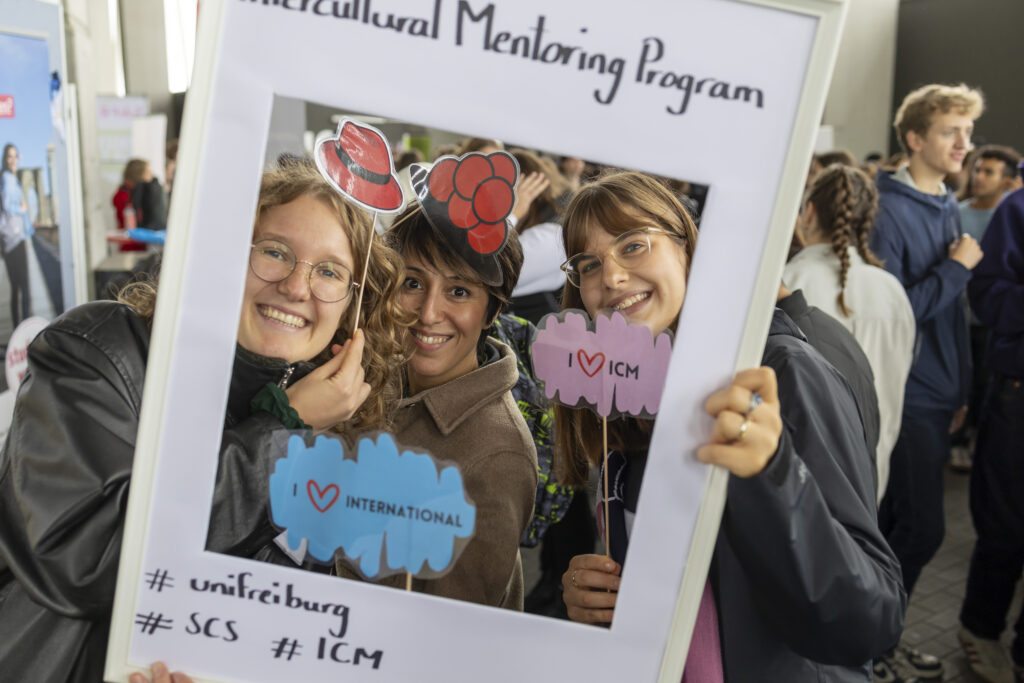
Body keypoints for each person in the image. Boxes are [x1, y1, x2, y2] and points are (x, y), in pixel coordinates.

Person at [0, 159, 408, 682]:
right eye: (275, 252)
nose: (296, 286)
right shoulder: (99, 352)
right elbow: (90, 561)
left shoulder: (334, 428)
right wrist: (283, 425)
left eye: (329, 271)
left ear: (353, 306)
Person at [556, 172, 904, 682]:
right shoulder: (624, 400)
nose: (610, 277)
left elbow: (869, 619)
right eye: (589, 264)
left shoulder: (779, 372)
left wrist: (772, 472)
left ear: (688, 252)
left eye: (633, 245)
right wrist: (593, 594)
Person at [336, 155, 538, 609]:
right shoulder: (371, 381)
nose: (428, 312)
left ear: (492, 310)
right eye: (412, 282)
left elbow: (452, 639)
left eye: (459, 291)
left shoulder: (497, 453)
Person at [870, 83, 984, 681]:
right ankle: (873, 641)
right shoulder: (887, 210)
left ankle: (878, 637)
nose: (964, 143)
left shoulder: (945, 201)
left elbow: (952, 318)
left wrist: (961, 388)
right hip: (908, 390)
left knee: (897, 528)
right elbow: (896, 311)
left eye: (967, 131)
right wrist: (957, 268)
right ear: (915, 138)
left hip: (941, 393)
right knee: (920, 529)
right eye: (950, 131)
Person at [785, 164, 915, 503]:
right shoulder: (891, 289)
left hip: (802, 475)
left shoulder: (788, 283)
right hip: (873, 470)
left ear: (808, 211)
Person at [958, 181, 1024, 683]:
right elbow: (988, 294)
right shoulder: (1017, 208)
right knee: (1005, 526)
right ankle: (980, 629)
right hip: (1017, 392)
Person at [952, 144, 1022, 471]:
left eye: (988, 171)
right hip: (984, 331)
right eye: (977, 169)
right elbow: (989, 292)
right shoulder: (1011, 211)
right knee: (973, 383)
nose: (979, 177)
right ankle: (962, 440)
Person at [1, 143, 34, 327]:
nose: (13, 160)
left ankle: (17, 329)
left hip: (10, 239)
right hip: (15, 239)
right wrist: (21, 209)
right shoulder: (8, 178)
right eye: (9, 157)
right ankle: (27, 329)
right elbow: (7, 207)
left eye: (15, 156)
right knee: (25, 287)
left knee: (16, 288)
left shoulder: (10, 178)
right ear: (5, 160)